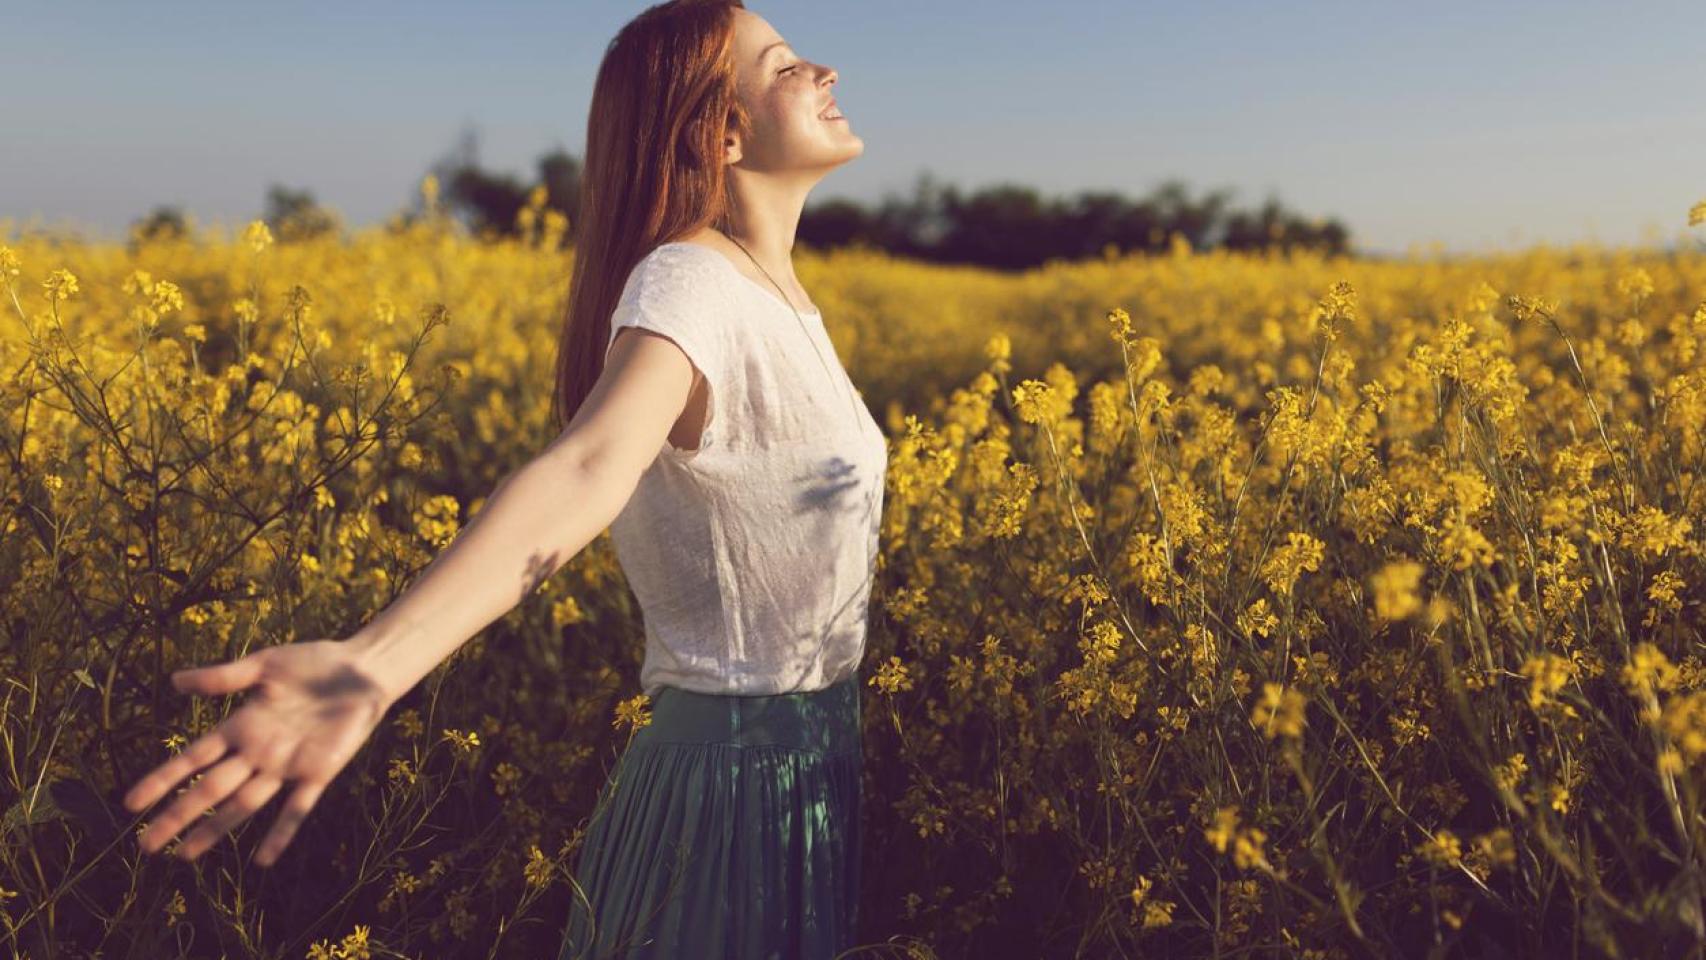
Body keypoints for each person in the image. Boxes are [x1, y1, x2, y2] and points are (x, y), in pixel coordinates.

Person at [119, 1, 883, 957]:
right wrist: (375, 664)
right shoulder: (691, 282)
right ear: (721, 130)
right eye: (784, 67)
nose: (825, 73)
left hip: (810, 765)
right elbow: (588, 465)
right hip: (724, 783)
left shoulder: (774, 292)